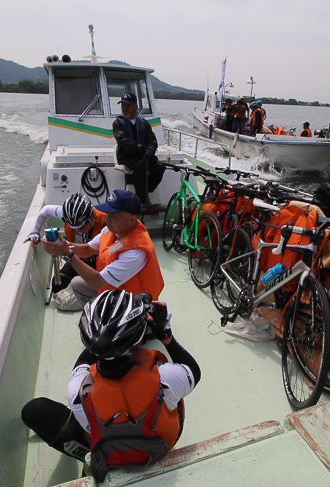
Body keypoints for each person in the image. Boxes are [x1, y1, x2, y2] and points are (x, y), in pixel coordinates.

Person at [21, 290, 201, 482]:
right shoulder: (166, 377)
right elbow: (193, 371)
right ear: (140, 339)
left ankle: (89, 455)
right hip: (160, 448)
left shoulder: (78, 389)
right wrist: (166, 336)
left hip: (107, 453)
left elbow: (83, 363)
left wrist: (102, 339)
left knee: (33, 410)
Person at [41, 189, 164, 307]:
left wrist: (68, 253)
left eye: (113, 216)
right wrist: (62, 244)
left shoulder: (135, 252)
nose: (107, 219)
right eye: (107, 214)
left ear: (131, 220)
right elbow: (87, 250)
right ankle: (98, 314)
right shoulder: (111, 230)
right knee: (77, 284)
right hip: (114, 291)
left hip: (135, 303)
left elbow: (97, 281)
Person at [25, 193, 107, 293]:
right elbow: (46, 210)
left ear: (91, 216)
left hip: (100, 262)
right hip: (78, 258)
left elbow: (89, 250)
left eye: (82, 226)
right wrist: (35, 231)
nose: (80, 230)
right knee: (57, 285)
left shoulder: (106, 223)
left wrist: (65, 249)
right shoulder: (67, 215)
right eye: (75, 228)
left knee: (99, 289)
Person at [112, 92, 165, 205]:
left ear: (135, 107)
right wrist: (141, 148)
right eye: (123, 105)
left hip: (143, 154)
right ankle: (142, 199)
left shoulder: (144, 123)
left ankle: (146, 189)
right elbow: (122, 140)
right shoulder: (117, 123)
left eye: (128, 105)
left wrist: (150, 150)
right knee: (140, 166)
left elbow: (153, 140)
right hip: (127, 157)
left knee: (159, 167)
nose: (124, 108)